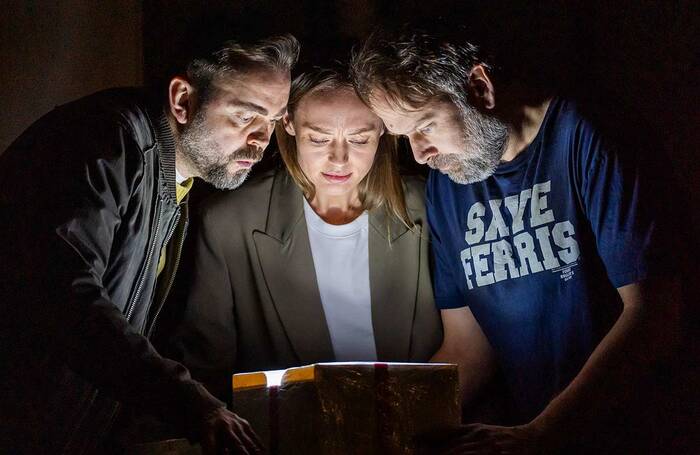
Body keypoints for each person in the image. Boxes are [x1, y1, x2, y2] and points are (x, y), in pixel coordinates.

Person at [350, 29, 682, 453]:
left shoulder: (590, 137)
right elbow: (468, 345)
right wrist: (381, 429)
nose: (419, 153)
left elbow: (654, 314)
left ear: (479, 87)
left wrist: (544, 432)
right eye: (404, 136)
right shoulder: (450, 183)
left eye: (425, 125)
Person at [0, 30, 299, 454]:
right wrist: (190, 403)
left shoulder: (175, 182)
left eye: (272, 121)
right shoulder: (108, 140)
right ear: (182, 100)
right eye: (245, 116)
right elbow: (63, 295)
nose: (261, 140)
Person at [171, 67, 442, 402]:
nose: (339, 159)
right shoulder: (229, 222)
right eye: (319, 138)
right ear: (288, 123)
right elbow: (206, 370)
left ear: (384, 129)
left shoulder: (429, 206)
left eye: (359, 139)